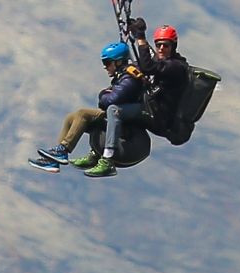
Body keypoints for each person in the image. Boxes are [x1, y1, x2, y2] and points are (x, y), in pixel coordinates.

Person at [28, 42, 153, 177]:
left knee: (83, 114)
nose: (105, 67)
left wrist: (103, 94)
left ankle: (63, 151)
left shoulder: (129, 79)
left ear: (118, 62)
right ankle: (54, 160)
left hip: (132, 145)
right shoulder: (122, 77)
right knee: (72, 118)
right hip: (125, 132)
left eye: (107, 63)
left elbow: (110, 101)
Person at [143, 24, 192, 139]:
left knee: (120, 112)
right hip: (155, 113)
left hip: (162, 121)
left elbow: (148, 67)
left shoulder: (176, 67)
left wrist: (140, 38)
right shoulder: (163, 62)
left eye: (166, 45)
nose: (161, 48)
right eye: (158, 45)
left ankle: (109, 151)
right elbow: (148, 59)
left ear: (173, 46)